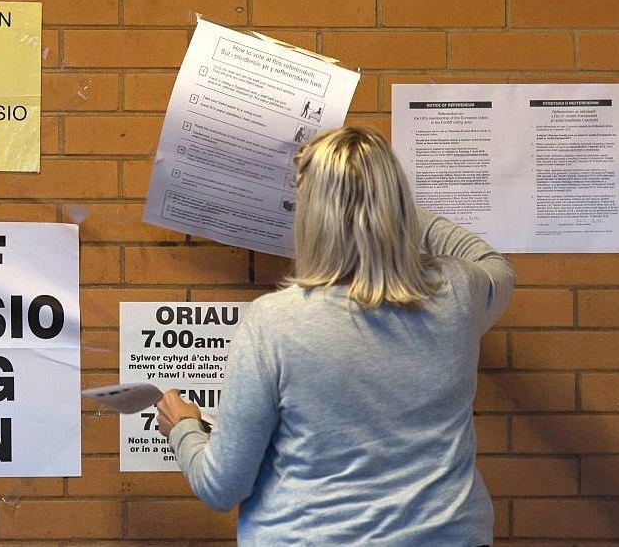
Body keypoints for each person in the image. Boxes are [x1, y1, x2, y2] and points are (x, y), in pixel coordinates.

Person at [156, 126, 514, 546]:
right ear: (397, 202)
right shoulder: (456, 293)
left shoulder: (274, 322)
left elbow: (222, 487)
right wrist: (382, 203)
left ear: (311, 216)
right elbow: (495, 266)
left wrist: (183, 427)